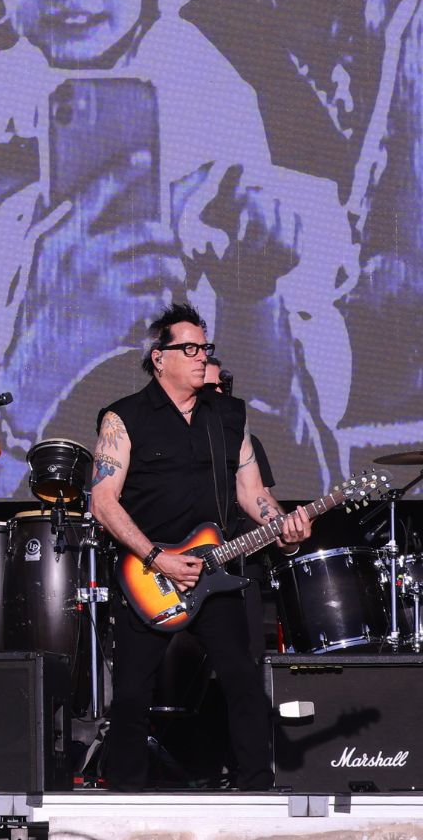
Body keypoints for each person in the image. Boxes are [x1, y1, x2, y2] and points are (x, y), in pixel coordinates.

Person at [90, 302, 311, 791]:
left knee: (243, 679)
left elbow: (252, 493)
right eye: (187, 347)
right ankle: (124, 800)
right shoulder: (123, 418)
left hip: (216, 570)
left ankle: (256, 790)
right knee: (130, 693)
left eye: (204, 347)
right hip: (149, 575)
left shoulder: (228, 417)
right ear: (158, 357)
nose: (199, 355)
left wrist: (283, 525)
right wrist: (156, 557)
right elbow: (103, 502)